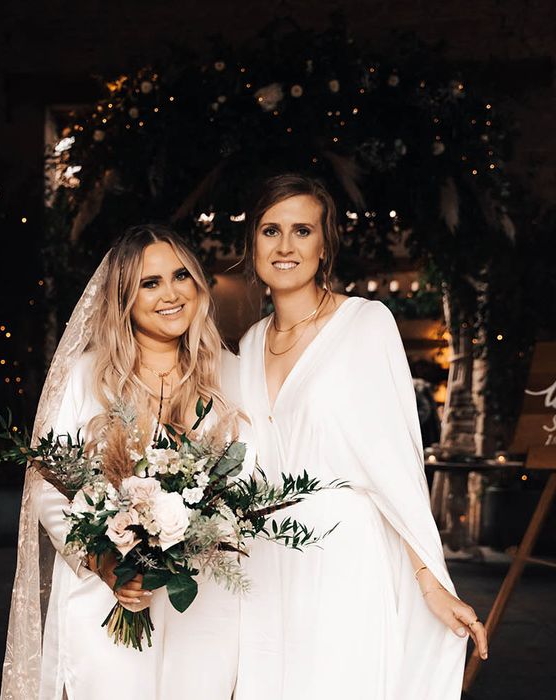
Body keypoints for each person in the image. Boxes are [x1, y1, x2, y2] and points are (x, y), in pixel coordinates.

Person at [234, 173, 488, 700]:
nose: (285, 246)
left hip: (343, 560)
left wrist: (429, 580)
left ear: (325, 245)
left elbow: (396, 462)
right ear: (252, 243)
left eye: (302, 230)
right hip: (265, 567)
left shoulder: (366, 324)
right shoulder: (249, 342)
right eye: (270, 230)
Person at [1, 224, 242, 700]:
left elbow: (247, 482)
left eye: (181, 277)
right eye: (150, 283)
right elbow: (50, 484)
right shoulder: (88, 377)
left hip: (201, 604)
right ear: (124, 299)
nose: (170, 294)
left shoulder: (227, 372)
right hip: (107, 595)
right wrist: (107, 563)